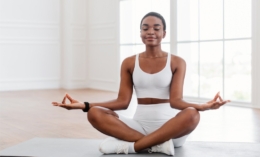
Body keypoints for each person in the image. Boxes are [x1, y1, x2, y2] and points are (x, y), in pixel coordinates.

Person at [52, 12, 230, 156]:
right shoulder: (129, 62)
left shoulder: (177, 62)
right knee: (94, 113)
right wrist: (84, 105)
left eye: (156, 28)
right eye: (145, 28)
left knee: (192, 115)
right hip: (138, 127)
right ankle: (156, 146)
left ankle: (133, 148)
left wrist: (203, 106)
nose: (150, 32)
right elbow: (122, 102)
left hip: (171, 131)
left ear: (164, 34)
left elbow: (176, 101)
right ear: (140, 33)